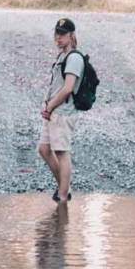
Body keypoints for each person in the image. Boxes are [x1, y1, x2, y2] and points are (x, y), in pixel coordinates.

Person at [38, 16, 86, 203]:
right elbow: (54, 84)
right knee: (44, 149)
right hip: (52, 111)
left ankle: (63, 197)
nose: (59, 37)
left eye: (63, 34)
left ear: (71, 35)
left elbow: (67, 88)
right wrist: (45, 102)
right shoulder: (62, 56)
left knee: (61, 152)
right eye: (57, 33)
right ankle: (64, 188)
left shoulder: (74, 58)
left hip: (63, 113)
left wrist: (50, 106)